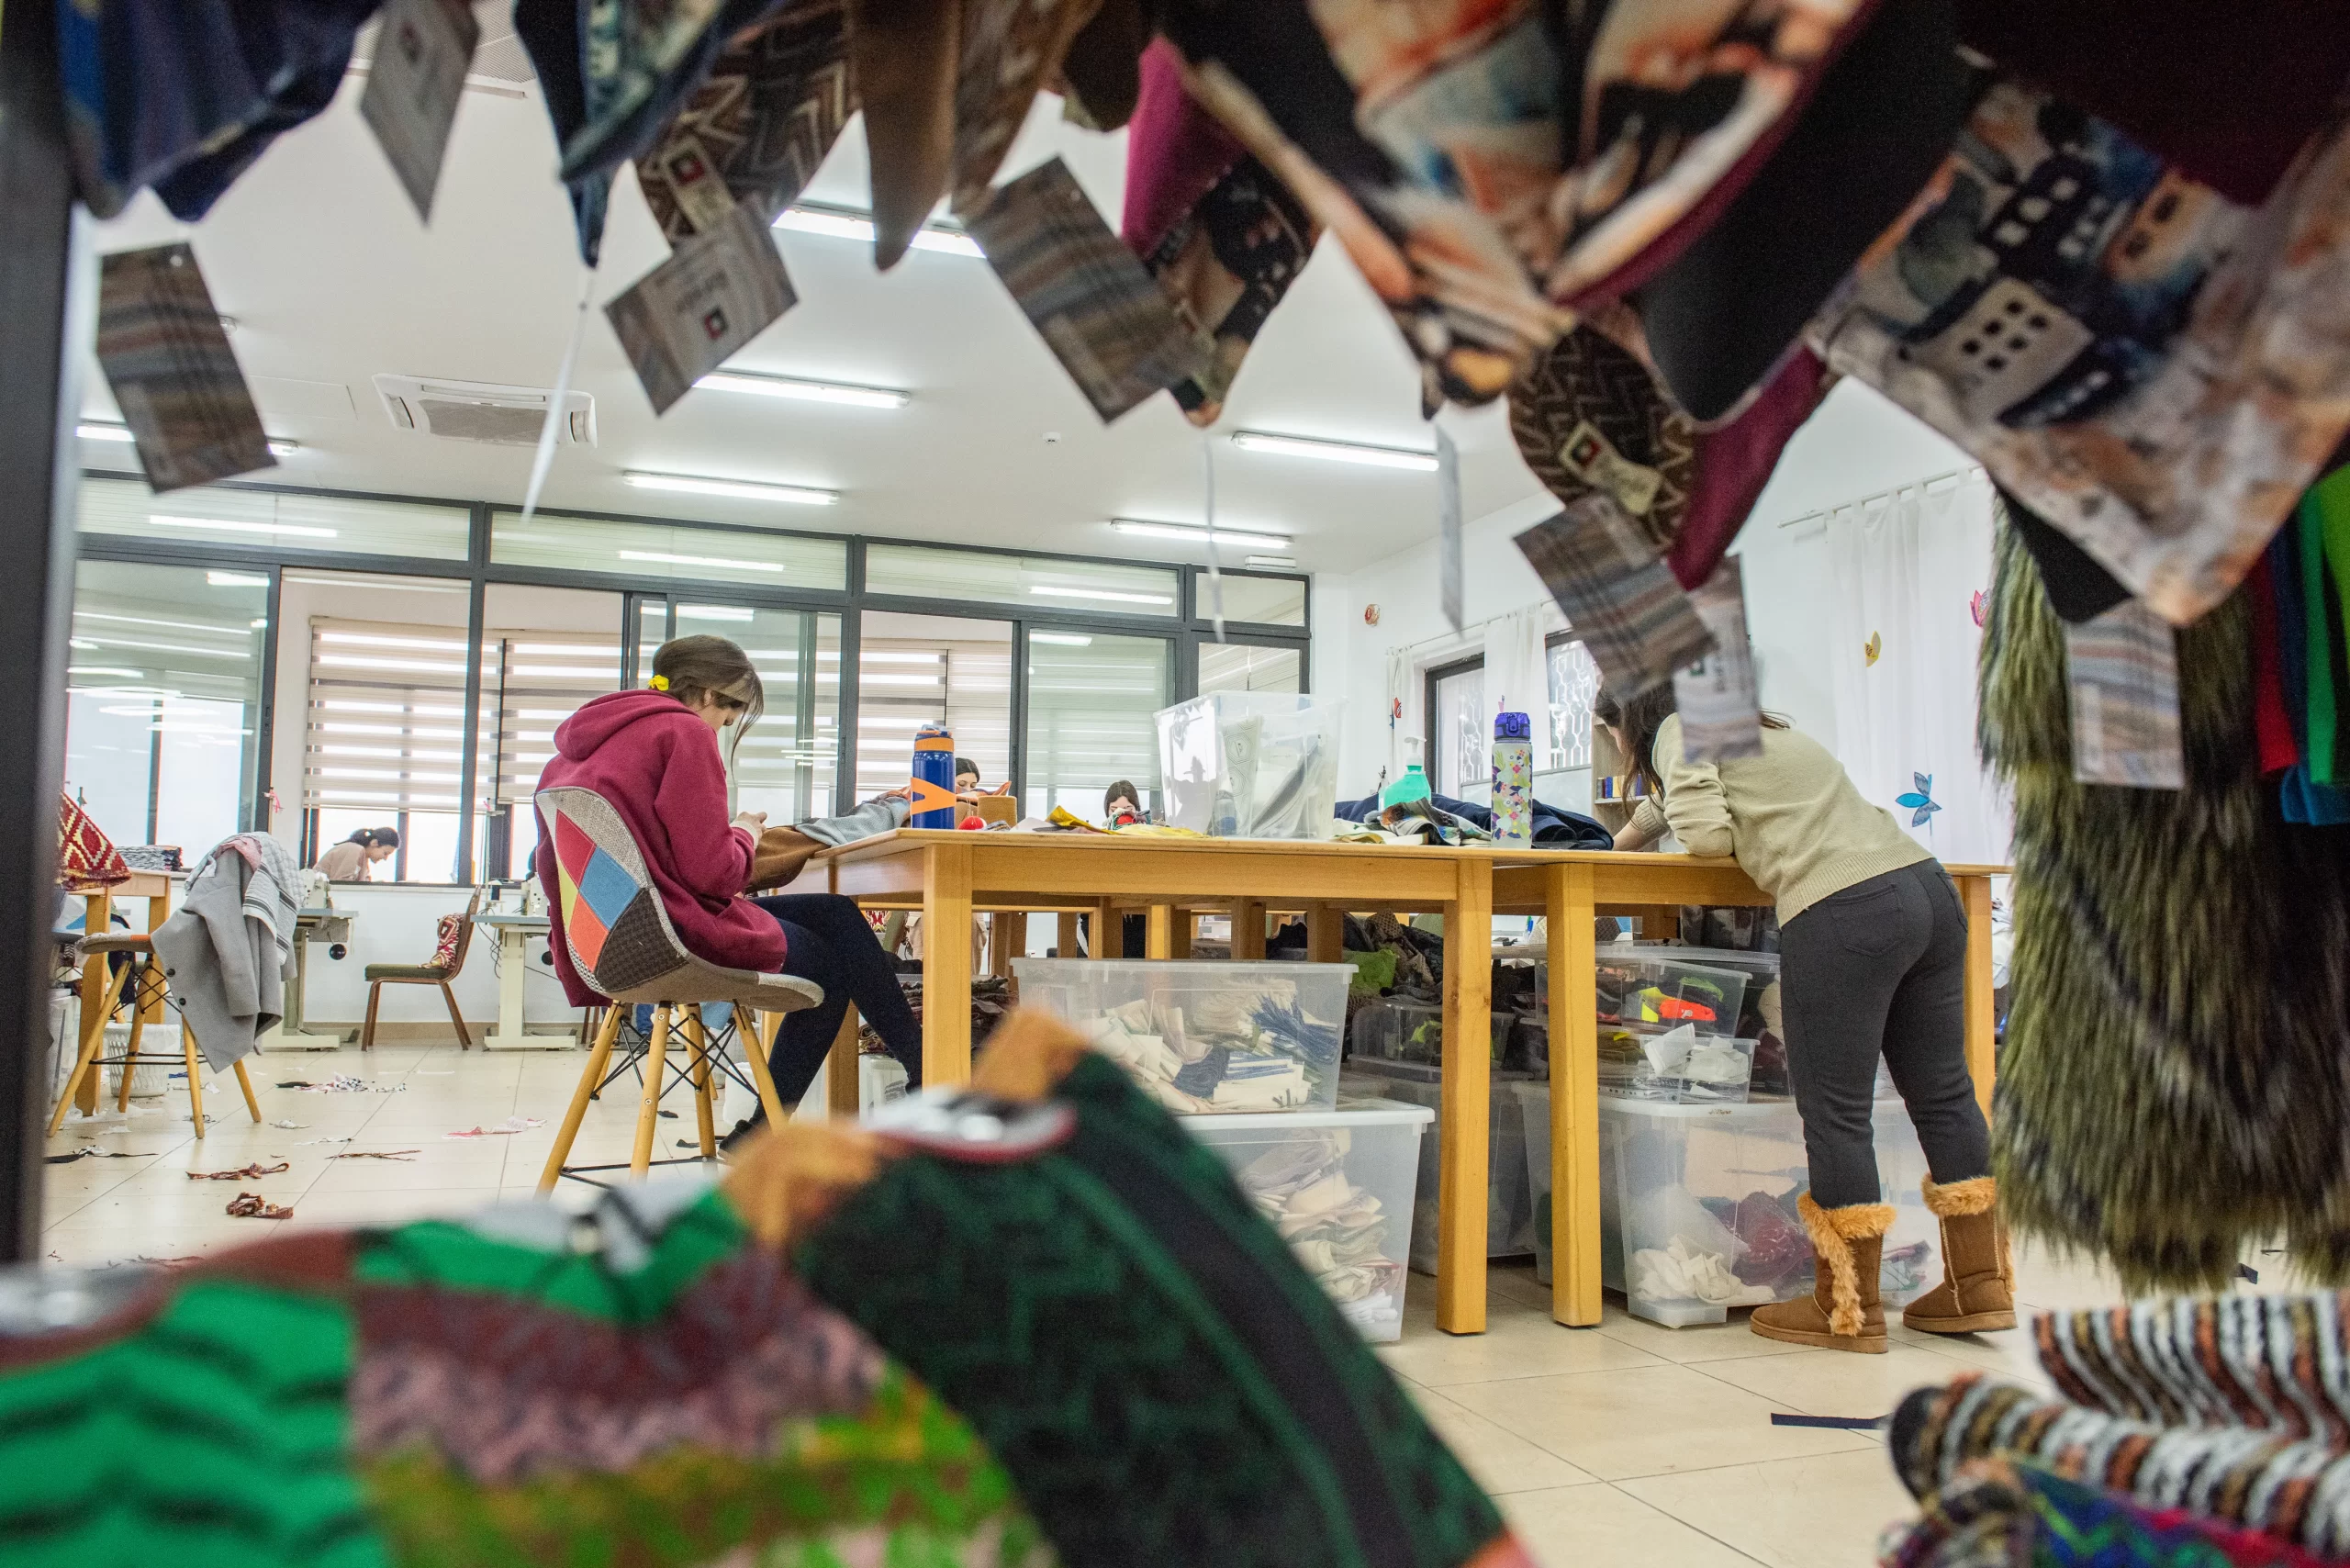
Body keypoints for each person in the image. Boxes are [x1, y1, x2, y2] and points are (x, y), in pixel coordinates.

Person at [1597, 685, 2008, 1354]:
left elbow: (1704, 834)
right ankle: (1979, 1286)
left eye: (1608, 730)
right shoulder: (1752, 729)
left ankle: (1847, 1309)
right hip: (1926, 892)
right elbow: (1682, 802)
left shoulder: (1675, 730)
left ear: (1628, 722)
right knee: (1943, 1093)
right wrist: (1626, 838)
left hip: (1846, 909)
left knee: (1837, 1111)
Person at [532, 635, 921, 1149]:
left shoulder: (568, 757)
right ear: (709, 693)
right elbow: (715, 875)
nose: (731, 722)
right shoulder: (683, 731)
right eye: (733, 707)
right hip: (671, 933)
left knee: (835, 914)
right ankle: (913, 1080)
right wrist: (745, 831)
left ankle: (920, 1070)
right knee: (830, 964)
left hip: (613, 938)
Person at [314, 827, 397, 881]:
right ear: (374, 843)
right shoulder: (354, 849)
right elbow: (342, 884)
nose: (385, 858)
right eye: (385, 853)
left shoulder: (363, 857)